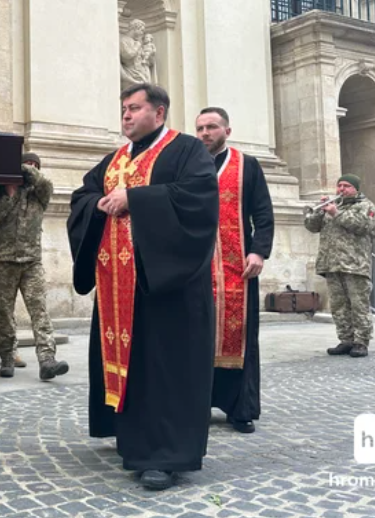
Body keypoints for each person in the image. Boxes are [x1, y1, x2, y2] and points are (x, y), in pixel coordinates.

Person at [67, 83, 218, 491]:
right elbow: (83, 196)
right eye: (123, 110)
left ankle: (166, 456)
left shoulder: (186, 150)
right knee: (133, 367)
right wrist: (98, 205)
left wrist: (135, 199)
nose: (126, 116)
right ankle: (131, 437)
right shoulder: (114, 159)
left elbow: (199, 199)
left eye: (134, 108)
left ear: (160, 112)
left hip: (166, 286)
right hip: (119, 288)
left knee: (164, 368)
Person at [195, 107, 275, 434]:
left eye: (212, 127)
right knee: (197, 337)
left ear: (227, 130)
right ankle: (197, 403)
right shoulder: (188, 166)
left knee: (240, 335)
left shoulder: (247, 166)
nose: (204, 133)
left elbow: (264, 213)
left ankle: (240, 407)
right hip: (196, 269)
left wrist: (258, 251)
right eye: (200, 128)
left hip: (237, 267)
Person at [0, 153, 68, 380]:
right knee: (4, 315)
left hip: (31, 262)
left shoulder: (38, 194)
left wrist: (24, 170)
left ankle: (47, 359)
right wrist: (9, 193)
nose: (31, 168)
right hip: (2, 262)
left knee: (39, 311)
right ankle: (7, 356)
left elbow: (46, 184)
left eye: (34, 166)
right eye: (28, 164)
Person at [305, 174, 375, 358]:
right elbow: (311, 227)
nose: (341, 189)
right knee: (339, 306)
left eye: (346, 186)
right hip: (332, 264)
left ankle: (361, 342)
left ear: (356, 189)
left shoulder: (365, 205)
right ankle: (346, 340)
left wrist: (336, 214)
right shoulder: (332, 206)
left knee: (358, 305)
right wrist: (319, 211)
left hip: (355, 264)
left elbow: (365, 226)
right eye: (339, 186)